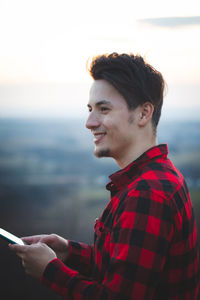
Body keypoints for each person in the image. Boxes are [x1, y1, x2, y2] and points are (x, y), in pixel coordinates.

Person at [10, 53, 199, 299]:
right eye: (90, 109)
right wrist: (68, 252)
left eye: (103, 109)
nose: (89, 122)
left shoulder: (147, 194)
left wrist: (50, 271)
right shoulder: (159, 176)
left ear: (143, 114)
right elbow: (129, 270)